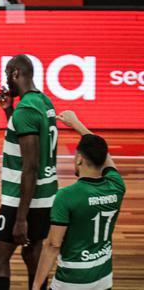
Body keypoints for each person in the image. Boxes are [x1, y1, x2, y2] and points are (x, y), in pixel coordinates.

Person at [0, 54, 59, 290]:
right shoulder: (44, 102)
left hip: (22, 198)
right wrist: (9, 111)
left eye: (8, 74)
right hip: (46, 196)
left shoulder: (26, 110)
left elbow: (30, 167)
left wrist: (20, 219)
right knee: (33, 257)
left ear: (16, 73)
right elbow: (26, 141)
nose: (7, 81)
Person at [31, 112, 124, 290]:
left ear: (79, 158)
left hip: (72, 279)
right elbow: (105, 155)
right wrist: (78, 125)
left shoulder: (67, 195)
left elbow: (53, 244)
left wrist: (36, 285)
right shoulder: (117, 185)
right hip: (104, 277)